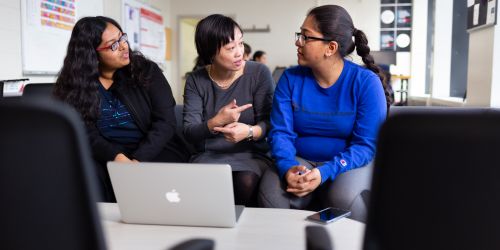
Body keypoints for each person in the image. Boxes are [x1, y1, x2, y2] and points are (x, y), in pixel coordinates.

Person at [258, 5, 392, 221]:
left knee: (344, 197)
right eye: (299, 34)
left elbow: (366, 145)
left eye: (306, 37)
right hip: (300, 160)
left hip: (349, 163)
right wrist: (287, 167)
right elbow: (280, 133)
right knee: (272, 194)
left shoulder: (366, 83)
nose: (298, 42)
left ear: (330, 47)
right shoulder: (290, 79)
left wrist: (325, 172)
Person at [54, 16, 190, 202]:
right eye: (113, 45)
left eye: (122, 38)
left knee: (158, 176)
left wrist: (137, 161)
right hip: (109, 153)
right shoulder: (76, 85)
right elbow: (86, 133)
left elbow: (165, 122)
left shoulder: (146, 71)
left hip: (153, 148)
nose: (124, 46)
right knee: (84, 171)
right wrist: (117, 157)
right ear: (91, 53)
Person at [183, 14, 274, 207]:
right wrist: (216, 122)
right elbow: (189, 131)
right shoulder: (196, 80)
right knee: (204, 184)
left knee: (245, 181)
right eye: (230, 48)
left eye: (240, 43)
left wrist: (249, 131)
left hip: (251, 154)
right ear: (210, 53)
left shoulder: (259, 73)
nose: (239, 52)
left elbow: (271, 123)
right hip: (209, 156)